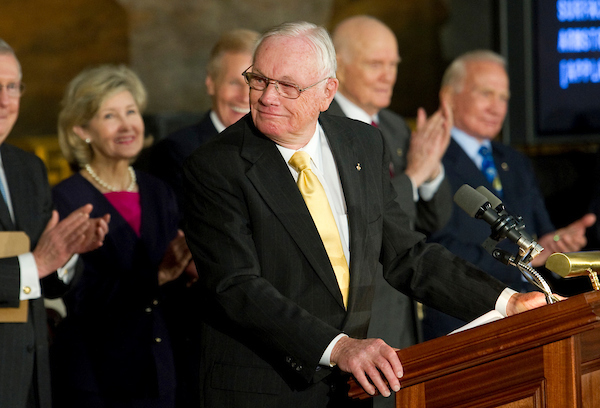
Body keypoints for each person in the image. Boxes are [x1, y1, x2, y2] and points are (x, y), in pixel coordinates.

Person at [182, 21, 551, 408]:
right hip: (266, 389)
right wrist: (339, 347)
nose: (267, 97)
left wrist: (504, 302)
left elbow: (405, 255)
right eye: (259, 80)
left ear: (327, 92)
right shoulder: (215, 166)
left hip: (352, 391)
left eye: (287, 86)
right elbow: (236, 286)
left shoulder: (361, 143)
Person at [423, 50, 596, 340]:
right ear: (449, 97)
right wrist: (522, 259)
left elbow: (542, 238)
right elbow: (435, 247)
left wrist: (556, 243)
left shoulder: (515, 162)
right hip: (463, 322)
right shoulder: (429, 160)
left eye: (503, 98)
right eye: (486, 93)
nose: (497, 107)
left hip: (530, 318)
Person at [50, 64, 195, 408]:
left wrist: (190, 270)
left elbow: (176, 281)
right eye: (110, 116)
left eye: (131, 111)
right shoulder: (66, 198)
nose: (127, 124)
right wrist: (157, 275)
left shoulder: (159, 191)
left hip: (163, 370)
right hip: (99, 378)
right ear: (82, 129)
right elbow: (76, 293)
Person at [327, 15, 452, 356]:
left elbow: (432, 221)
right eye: (375, 64)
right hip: (358, 324)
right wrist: (412, 175)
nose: (388, 76)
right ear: (338, 66)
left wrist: (431, 173)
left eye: (393, 64)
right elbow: (360, 217)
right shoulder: (323, 129)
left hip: (404, 315)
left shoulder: (396, 127)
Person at [0, 39, 110, 408]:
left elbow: (49, 280)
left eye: (12, 86)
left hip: (31, 380)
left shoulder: (27, 168)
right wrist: (38, 263)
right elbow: (36, 264)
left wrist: (66, 254)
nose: (5, 100)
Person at [150, 28, 259, 211]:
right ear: (211, 84)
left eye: (254, 83)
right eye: (234, 83)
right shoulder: (177, 152)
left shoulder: (279, 145)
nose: (244, 96)